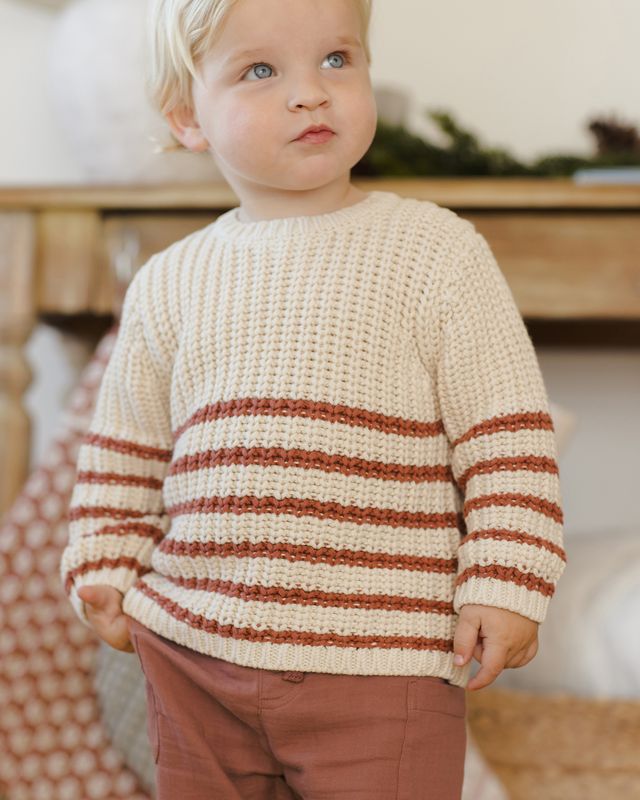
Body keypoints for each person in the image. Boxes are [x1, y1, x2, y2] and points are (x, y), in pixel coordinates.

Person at [60, 0, 567, 797]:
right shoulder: (169, 280)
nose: (310, 93)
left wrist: (506, 580)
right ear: (188, 118)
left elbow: (506, 440)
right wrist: (105, 558)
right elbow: (125, 447)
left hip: (385, 663)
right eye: (260, 71)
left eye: (337, 59)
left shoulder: (437, 252)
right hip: (196, 658)